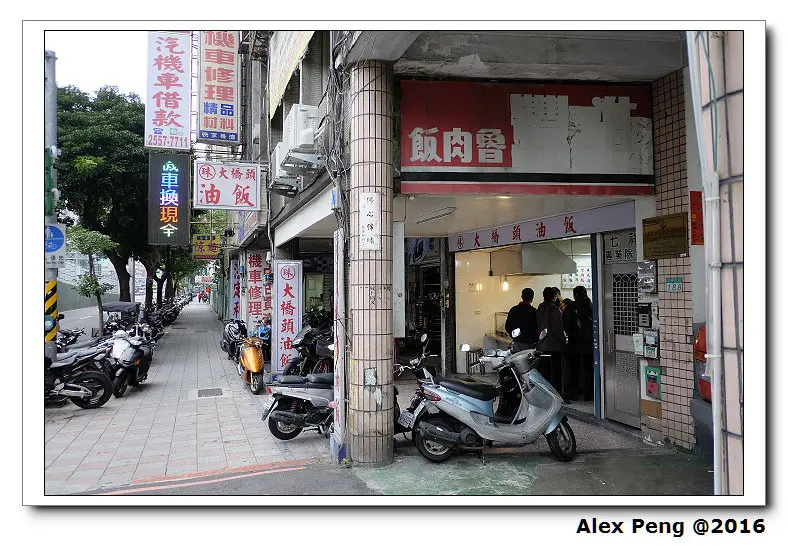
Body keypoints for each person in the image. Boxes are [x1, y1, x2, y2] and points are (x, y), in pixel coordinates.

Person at [536, 287, 568, 398]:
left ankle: (546, 395)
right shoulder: (553, 308)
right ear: (554, 297)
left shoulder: (540, 307)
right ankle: (557, 395)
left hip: (542, 345)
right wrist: (563, 340)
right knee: (556, 373)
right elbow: (557, 327)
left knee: (545, 373)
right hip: (554, 346)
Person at [570, 285, 595, 401]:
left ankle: (574, 394)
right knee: (588, 370)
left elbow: (566, 323)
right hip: (588, 344)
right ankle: (588, 394)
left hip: (574, 343)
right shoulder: (591, 305)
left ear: (575, 294)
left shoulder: (571, 306)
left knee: (574, 370)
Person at [505, 287, 539, 352]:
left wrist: (514, 336)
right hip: (530, 345)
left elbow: (507, 326)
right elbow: (537, 327)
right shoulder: (534, 312)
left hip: (517, 343)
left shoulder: (513, 310)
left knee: (517, 358)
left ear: (521, 296)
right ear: (532, 298)